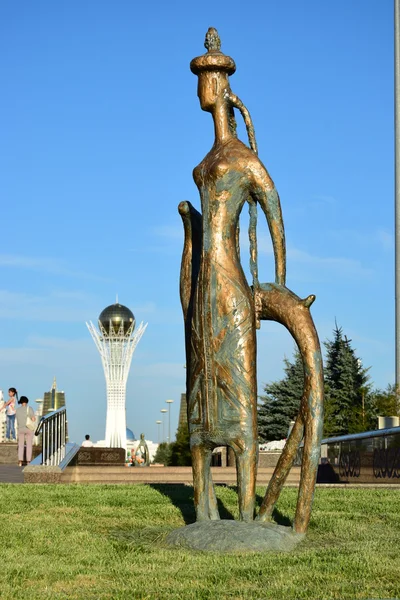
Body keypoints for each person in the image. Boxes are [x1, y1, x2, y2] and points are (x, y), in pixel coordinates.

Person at [15, 395, 36, 466]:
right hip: (28, 429)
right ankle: (28, 462)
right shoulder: (29, 408)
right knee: (29, 445)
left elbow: (17, 420)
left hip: (20, 429)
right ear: (26, 401)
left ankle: (20, 461)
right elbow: (33, 419)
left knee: (20, 445)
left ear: (21, 402)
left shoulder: (17, 410)